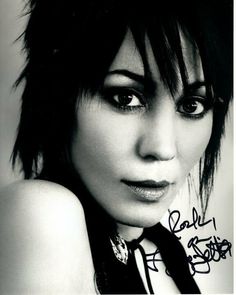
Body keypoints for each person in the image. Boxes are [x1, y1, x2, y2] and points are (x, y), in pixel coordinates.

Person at [0, 0, 232, 293]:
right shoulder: (44, 214)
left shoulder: (163, 250)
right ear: (59, 96)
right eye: (125, 98)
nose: (162, 148)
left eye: (191, 105)